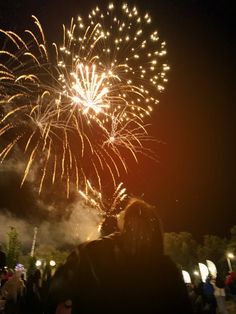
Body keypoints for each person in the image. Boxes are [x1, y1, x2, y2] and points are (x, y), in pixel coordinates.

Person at [47, 198, 193, 314]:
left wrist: (67, 303)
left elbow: (57, 287)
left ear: (124, 223)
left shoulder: (93, 252)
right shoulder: (167, 271)